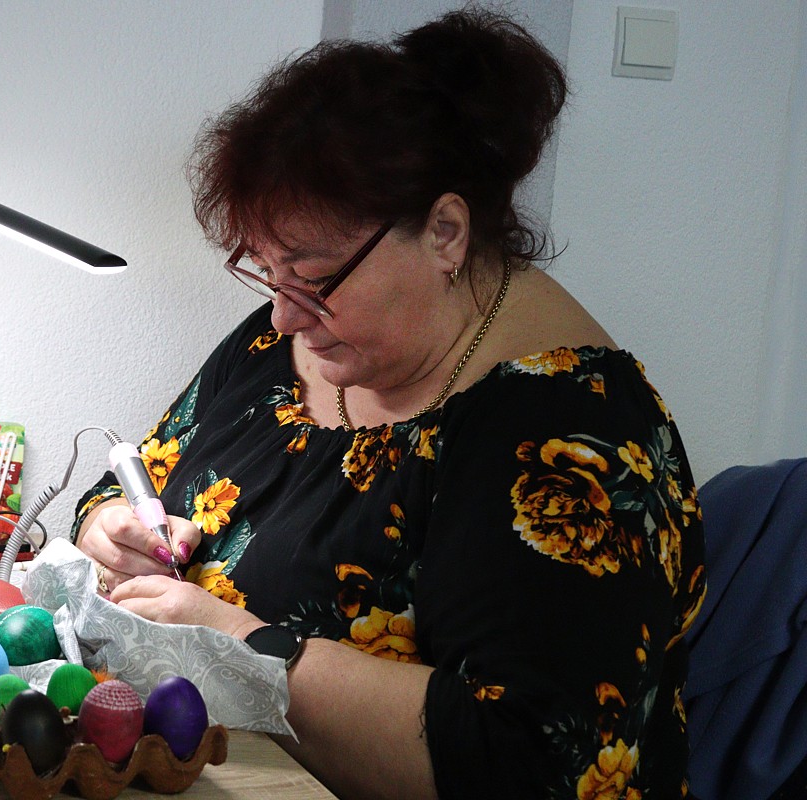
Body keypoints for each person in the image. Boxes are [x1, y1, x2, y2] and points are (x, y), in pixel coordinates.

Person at [73, 8, 706, 799]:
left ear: (445, 233)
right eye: (267, 272)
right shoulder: (289, 345)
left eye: (314, 278)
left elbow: (531, 764)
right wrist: (109, 530)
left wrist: (239, 645)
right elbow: (129, 482)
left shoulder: (571, 438)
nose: (283, 314)